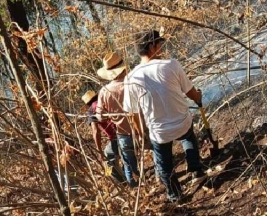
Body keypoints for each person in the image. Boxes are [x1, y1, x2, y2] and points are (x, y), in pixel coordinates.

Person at [123, 30, 206, 203]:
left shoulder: (131, 78)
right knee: (188, 137)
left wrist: (141, 133)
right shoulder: (172, 65)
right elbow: (191, 93)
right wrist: (198, 96)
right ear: (151, 46)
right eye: (159, 44)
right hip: (182, 121)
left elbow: (133, 114)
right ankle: (196, 169)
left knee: (164, 164)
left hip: (159, 132)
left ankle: (175, 195)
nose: (161, 47)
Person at [96, 52, 140, 187]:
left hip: (123, 134)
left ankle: (135, 187)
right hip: (143, 128)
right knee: (157, 152)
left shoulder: (105, 92)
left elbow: (99, 116)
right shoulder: (133, 83)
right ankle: (161, 178)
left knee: (129, 164)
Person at [82, 90, 126, 184]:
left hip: (116, 136)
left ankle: (118, 181)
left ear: (87, 103)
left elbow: (95, 131)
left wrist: (99, 151)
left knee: (107, 157)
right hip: (126, 130)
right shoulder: (106, 100)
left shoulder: (92, 110)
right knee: (123, 155)